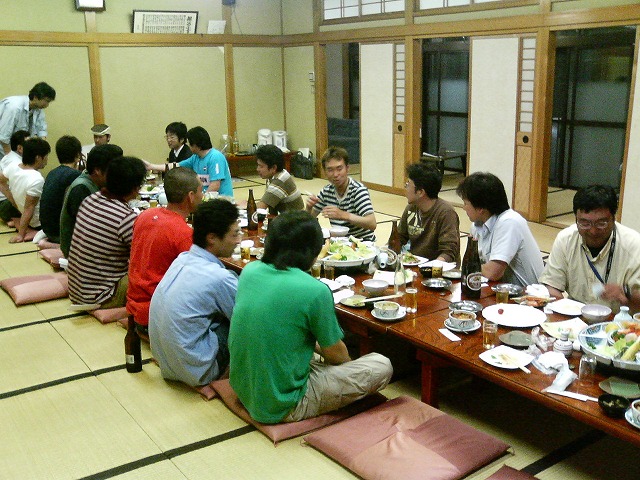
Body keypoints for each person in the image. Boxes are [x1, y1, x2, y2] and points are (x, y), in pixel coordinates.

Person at [229, 210, 392, 424]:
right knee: (381, 365)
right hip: (284, 404)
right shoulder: (315, 290)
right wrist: (349, 368)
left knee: (308, 351)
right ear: (311, 252)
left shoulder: (250, 271)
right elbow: (336, 356)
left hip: (243, 389)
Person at [149, 199, 241, 388]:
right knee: (249, 319)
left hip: (167, 364)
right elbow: (248, 321)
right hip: (198, 370)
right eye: (235, 234)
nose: (239, 240)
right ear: (212, 238)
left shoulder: (181, 259)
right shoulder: (219, 277)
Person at [127, 167, 203, 335]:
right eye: (201, 190)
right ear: (191, 196)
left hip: (134, 303)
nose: (202, 195)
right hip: (157, 313)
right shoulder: (183, 233)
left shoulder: (145, 215)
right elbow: (198, 280)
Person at [540, 185, 640, 312]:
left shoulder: (634, 246)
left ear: (614, 219)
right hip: (575, 316)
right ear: (576, 219)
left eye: (601, 223)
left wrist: (626, 293)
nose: (593, 231)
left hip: (619, 321)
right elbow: (552, 287)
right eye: (584, 223)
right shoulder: (565, 239)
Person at [67, 156, 146, 308]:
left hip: (77, 290)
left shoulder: (90, 199)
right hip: (101, 296)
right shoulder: (125, 218)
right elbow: (144, 258)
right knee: (155, 276)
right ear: (136, 188)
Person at [456, 172, 543, 287]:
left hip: (527, 294)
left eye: (465, 203)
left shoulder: (509, 222)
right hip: (500, 289)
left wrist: (470, 267)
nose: (463, 208)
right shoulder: (476, 226)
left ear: (481, 208)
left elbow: (493, 272)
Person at [59, 144, 123, 257]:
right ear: (98, 170)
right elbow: (93, 229)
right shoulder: (81, 188)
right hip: (78, 252)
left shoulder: (97, 181)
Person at [306, 146, 376, 241]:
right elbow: (306, 221)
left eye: (339, 169)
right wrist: (308, 208)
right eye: (330, 170)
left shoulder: (358, 190)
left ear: (347, 168)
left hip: (363, 242)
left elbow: (372, 223)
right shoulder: (326, 191)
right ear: (324, 172)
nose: (335, 174)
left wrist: (343, 215)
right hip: (339, 242)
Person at [399, 163, 460, 264]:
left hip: (440, 269)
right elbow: (400, 237)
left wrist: (433, 266)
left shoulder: (446, 212)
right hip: (415, 263)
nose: (405, 188)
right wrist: (387, 253)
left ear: (420, 192)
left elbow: (449, 251)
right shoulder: (411, 208)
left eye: (408, 184)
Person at [146, 126, 233, 197]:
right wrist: (151, 166)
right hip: (205, 199)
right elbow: (176, 166)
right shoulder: (195, 157)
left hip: (221, 201)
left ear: (196, 144)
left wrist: (201, 200)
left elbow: (215, 185)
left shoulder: (215, 157)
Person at [0, 137, 50, 243]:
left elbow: (1, 181)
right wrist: (20, 235)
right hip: (39, 223)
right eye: (46, 157)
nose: (47, 160)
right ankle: (34, 232)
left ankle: (20, 225)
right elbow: (29, 208)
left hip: (22, 213)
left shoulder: (13, 167)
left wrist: (13, 201)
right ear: (38, 158)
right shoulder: (36, 178)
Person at [39, 136, 82, 244]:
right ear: (78, 155)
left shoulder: (52, 173)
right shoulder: (74, 175)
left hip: (47, 229)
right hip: (60, 234)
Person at [0, 82, 55, 158]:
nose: (47, 105)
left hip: (16, 151)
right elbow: (3, 137)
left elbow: (41, 130)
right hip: (3, 149)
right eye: (47, 101)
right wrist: (10, 159)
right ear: (35, 97)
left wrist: (41, 149)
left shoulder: (38, 109)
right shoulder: (14, 107)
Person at [255, 144, 304, 214]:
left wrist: (242, 206)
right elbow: (270, 204)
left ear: (273, 168)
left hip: (295, 219)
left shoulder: (279, 181)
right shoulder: (276, 175)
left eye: (261, 166)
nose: (257, 169)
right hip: (286, 217)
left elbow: (261, 207)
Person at [0, 130, 29, 224]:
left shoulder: (10, 157)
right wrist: (14, 203)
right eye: (29, 145)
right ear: (20, 148)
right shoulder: (17, 163)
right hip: (5, 203)